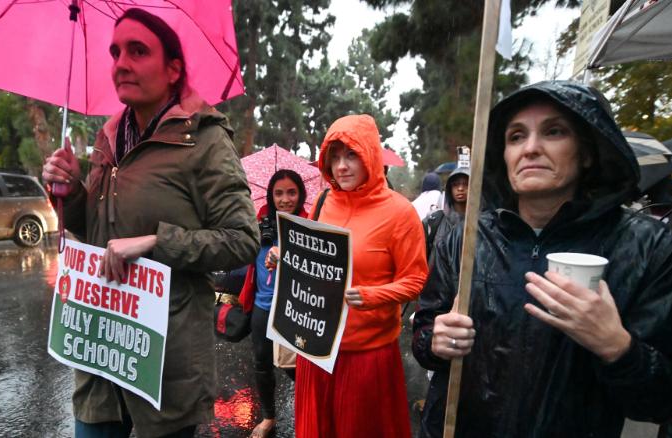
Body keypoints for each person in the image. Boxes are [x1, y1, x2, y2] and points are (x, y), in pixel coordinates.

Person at [412, 81, 672, 438]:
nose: (530, 148)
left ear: (588, 150)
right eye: (515, 136)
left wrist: (617, 347)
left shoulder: (649, 248)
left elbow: (667, 400)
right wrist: (435, 341)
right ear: (504, 154)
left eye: (554, 131)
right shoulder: (465, 239)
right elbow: (425, 331)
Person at [42, 8, 259, 437]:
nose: (120, 62)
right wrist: (70, 191)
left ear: (173, 68)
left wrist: (153, 242)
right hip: (99, 355)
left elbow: (241, 240)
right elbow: (98, 234)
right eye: (115, 51)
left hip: (164, 366)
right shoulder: (107, 139)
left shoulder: (205, 140)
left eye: (138, 51)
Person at [294, 114, 428, 437]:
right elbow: (313, 260)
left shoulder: (400, 213)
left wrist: (372, 296)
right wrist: (284, 259)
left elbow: (416, 279)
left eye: (351, 154)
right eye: (335, 156)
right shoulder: (324, 202)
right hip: (317, 350)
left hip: (366, 357)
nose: (341, 166)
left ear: (370, 153)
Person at [238, 169, 308, 438]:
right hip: (262, 304)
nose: (285, 199)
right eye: (278, 193)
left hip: (294, 307)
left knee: (295, 366)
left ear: (300, 194)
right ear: (270, 195)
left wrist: (286, 252)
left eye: (291, 192)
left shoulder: (308, 224)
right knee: (262, 363)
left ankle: (309, 410)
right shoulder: (260, 221)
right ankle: (268, 417)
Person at [422, 165, 469, 264]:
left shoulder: (483, 223)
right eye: (456, 185)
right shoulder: (435, 220)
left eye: (465, 184)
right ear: (449, 188)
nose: (460, 188)